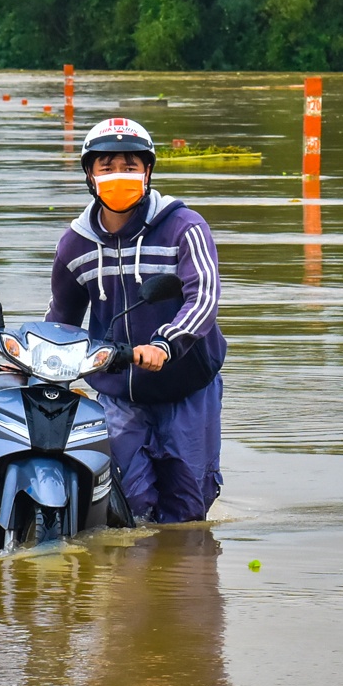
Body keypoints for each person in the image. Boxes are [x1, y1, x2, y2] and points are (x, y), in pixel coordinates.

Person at [47, 117, 226, 524]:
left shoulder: (185, 227)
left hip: (187, 384)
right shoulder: (75, 244)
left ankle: (181, 582)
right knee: (128, 504)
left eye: (130, 165)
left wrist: (165, 344)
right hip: (117, 389)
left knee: (188, 506)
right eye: (106, 167)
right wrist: (30, 358)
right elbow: (61, 316)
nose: (118, 176)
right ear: (89, 175)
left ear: (148, 171)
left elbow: (204, 298)